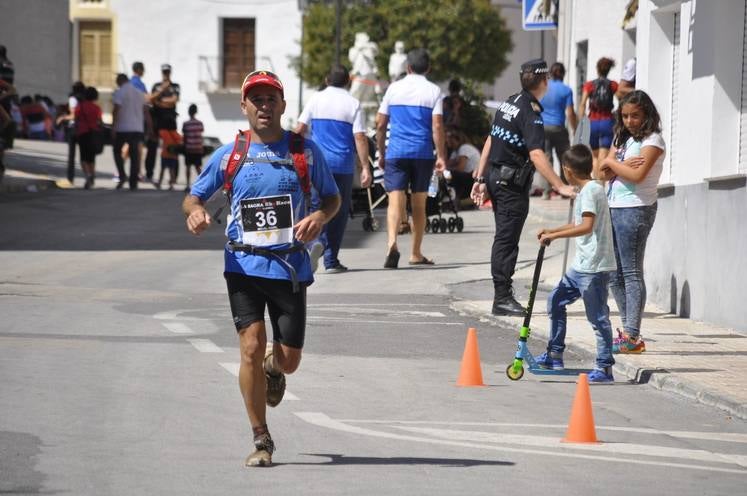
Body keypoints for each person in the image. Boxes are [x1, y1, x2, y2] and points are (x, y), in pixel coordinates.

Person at [182, 70, 340, 467]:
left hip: (289, 267)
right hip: (242, 263)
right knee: (250, 346)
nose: (264, 106)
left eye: (271, 99)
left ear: (283, 106)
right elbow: (193, 196)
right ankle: (261, 439)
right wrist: (197, 212)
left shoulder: (304, 151)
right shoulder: (231, 152)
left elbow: (333, 199)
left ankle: (275, 367)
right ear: (245, 106)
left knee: (289, 360)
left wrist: (319, 216)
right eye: (257, 99)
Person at [470, 59, 576, 316]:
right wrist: (560, 185)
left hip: (497, 178)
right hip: (510, 185)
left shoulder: (509, 103)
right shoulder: (530, 114)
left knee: (504, 239)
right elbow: (538, 155)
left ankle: (503, 294)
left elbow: (490, 139)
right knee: (507, 241)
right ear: (544, 82)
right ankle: (502, 297)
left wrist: (481, 178)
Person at [535, 145, 616, 382]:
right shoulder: (585, 191)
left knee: (597, 317)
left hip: (594, 267)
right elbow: (576, 223)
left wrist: (554, 237)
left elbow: (586, 226)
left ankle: (604, 367)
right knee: (556, 300)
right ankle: (555, 354)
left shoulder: (592, 191)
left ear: (568, 171)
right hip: (581, 265)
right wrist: (552, 230)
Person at [599, 90, 666, 354]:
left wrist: (612, 163)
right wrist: (616, 164)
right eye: (625, 116)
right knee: (614, 275)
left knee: (631, 272)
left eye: (635, 116)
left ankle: (632, 335)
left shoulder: (653, 140)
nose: (629, 121)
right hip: (614, 206)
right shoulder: (623, 138)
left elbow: (637, 175)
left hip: (636, 210)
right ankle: (629, 332)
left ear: (647, 114)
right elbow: (601, 173)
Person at [295, 65, 372, 273]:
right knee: (338, 210)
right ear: (348, 81)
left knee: (317, 206)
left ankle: (314, 243)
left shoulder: (315, 99)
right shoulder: (353, 103)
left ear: (327, 80)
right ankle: (331, 261)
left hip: (318, 164)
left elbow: (300, 129)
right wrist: (365, 167)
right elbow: (360, 137)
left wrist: (295, 156)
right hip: (343, 167)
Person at [376, 48, 446, 268]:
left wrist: (381, 151)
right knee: (419, 204)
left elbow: (380, 123)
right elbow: (437, 125)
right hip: (422, 153)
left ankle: (391, 243)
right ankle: (415, 253)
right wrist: (441, 154)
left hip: (396, 151)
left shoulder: (393, 89)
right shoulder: (434, 90)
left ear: (407, 68)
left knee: (395, 201)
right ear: (429, 68)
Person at [539, 62, 577, 199]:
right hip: (558, 127)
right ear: (563, 73)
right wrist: (575, 128)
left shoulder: (543, 88)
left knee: (545, 159)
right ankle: (565, 189)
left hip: (542, 127)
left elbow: (534, 107)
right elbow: (570, 113)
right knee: (565, 158)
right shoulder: (566, 90)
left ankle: (546, 191)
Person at [577, 57, 618, 176]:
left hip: (593, 122)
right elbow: (623, 98)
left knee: (594, 156)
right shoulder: (613, 85)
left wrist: (582, 122)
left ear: (597, 69)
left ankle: (596, 184)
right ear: (609, 69)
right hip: (607, 122)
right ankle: (601, 184)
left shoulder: (589, 85)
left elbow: (582, 104)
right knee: (603, 155)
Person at [112, 73, 148, 190]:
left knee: (117, 151)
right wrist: (150, 128)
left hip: (123, 128)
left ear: (120, 81)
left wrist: (113, 127)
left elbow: (116, 111)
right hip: (137, 128)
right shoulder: (139, 93)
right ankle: (133, 182)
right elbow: (146, 111)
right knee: (134, 155)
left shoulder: (120, 92)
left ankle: (122, 175)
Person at [146, 64, 180, 183]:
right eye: (164, 72)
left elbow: (174, 101)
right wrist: (162, 90)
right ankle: (149, 174)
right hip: (157, 122)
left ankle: (174, 176)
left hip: (170, 122)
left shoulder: (175, 86)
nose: (166, 74)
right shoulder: (156, 86)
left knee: (173, 148)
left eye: (167, 72)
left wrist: (159, 102)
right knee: (152, 147)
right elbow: (150, 99)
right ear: (162, 72)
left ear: (170, 73)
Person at [75, 86, 102, 189]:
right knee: (91, 158)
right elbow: (99, 121)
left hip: (82, 133)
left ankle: (87, 175)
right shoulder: (97, 108)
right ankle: (92, 175)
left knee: (83, 157)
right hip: (93, 134)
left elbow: (76, 118)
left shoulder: (80, 106)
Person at [60, 81, 86, 184]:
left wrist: (62, 118)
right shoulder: (85, 99)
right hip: (84, 128)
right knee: (84, 155)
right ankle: (89, 176)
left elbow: (73, 115)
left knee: (71, 155)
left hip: (74, 128)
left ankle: (70, 178)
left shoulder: (73, 99)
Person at [445, 127, 479, 201]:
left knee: (453, 174)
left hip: (473, 176)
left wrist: (449, 169)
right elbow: (446, 165)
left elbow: (460, 168)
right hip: (467, 176)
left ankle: (455, 199)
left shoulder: (464, 148)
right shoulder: (455, 151)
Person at [181, 103, 204, 191]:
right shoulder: (200, 123)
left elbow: (185, 137)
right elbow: (201, 134)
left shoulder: (186, 124)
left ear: (189, 112)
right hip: (198, 148)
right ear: (196, 112)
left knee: (188, 166)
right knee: (198, 167)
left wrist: (184, 146)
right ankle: (202, 184)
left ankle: (187, 185)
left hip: (189, 148)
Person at [156, 122, 181, 191]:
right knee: (172, 170)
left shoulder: (164, 132)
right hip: (173, 155)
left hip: (164, 154)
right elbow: (180, 141)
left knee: (162, 169)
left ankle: (159, 183)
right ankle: (172, 185)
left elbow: (159, 133)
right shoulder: (176, 133)